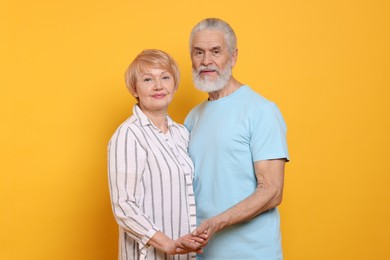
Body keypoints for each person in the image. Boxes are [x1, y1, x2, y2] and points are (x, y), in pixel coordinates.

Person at [182, 18, 290, 259]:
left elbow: (272, 191)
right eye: (198, 52)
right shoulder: (192, 117)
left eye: (215, 51)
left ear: (233, 57)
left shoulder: (261, 110)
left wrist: (217, 223)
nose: (206, 61)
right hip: (202, 253)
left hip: (251, 253)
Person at [108, 49, 206, 260]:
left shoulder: (182, 133)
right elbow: (124, 206)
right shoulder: (129, 134)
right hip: (150, 256)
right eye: (147, 79)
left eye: (165, 77)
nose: (158, 86)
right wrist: (168, 244)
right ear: (135, 89)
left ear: (175, 84)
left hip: (185, 255)